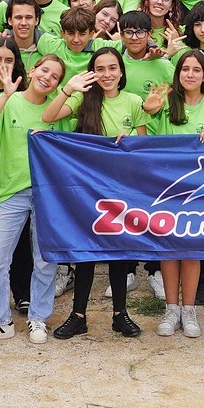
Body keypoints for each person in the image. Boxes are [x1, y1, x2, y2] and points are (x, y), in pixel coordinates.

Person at [44, 49, 144, 339]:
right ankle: (78, 316)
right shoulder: (83, 99)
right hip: (87, 188)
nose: (107, 74)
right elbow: (49, 116)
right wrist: (69, 89)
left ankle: (120, 314)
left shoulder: (134, 101)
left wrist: (130, 140)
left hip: (122, 187)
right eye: (100, 68)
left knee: (119, 250)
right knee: (86, 249)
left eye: (113, 68)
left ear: (122, 71)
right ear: (92, 72)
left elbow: (144, 143)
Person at [0, 54, 68, 345]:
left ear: (58, 85)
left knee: (44, 260)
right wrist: (5, 95)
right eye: (44, 70)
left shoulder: (59, 110)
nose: (47, 78)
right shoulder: (11, 100)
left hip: (48, 195)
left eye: (55, 76)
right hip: (12, 191)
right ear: (33, 70)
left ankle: (38, 318)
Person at [140, 51, 204, 336]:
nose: (190, 74)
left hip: (199, 192)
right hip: (167, 187)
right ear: (178, 74)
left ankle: (189, 310)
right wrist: (148, 110)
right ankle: (171, 308)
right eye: (185, 69)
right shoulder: (166, 103)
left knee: (191, 249)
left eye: (196, 70)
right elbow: (144, 140)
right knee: (168, 249)